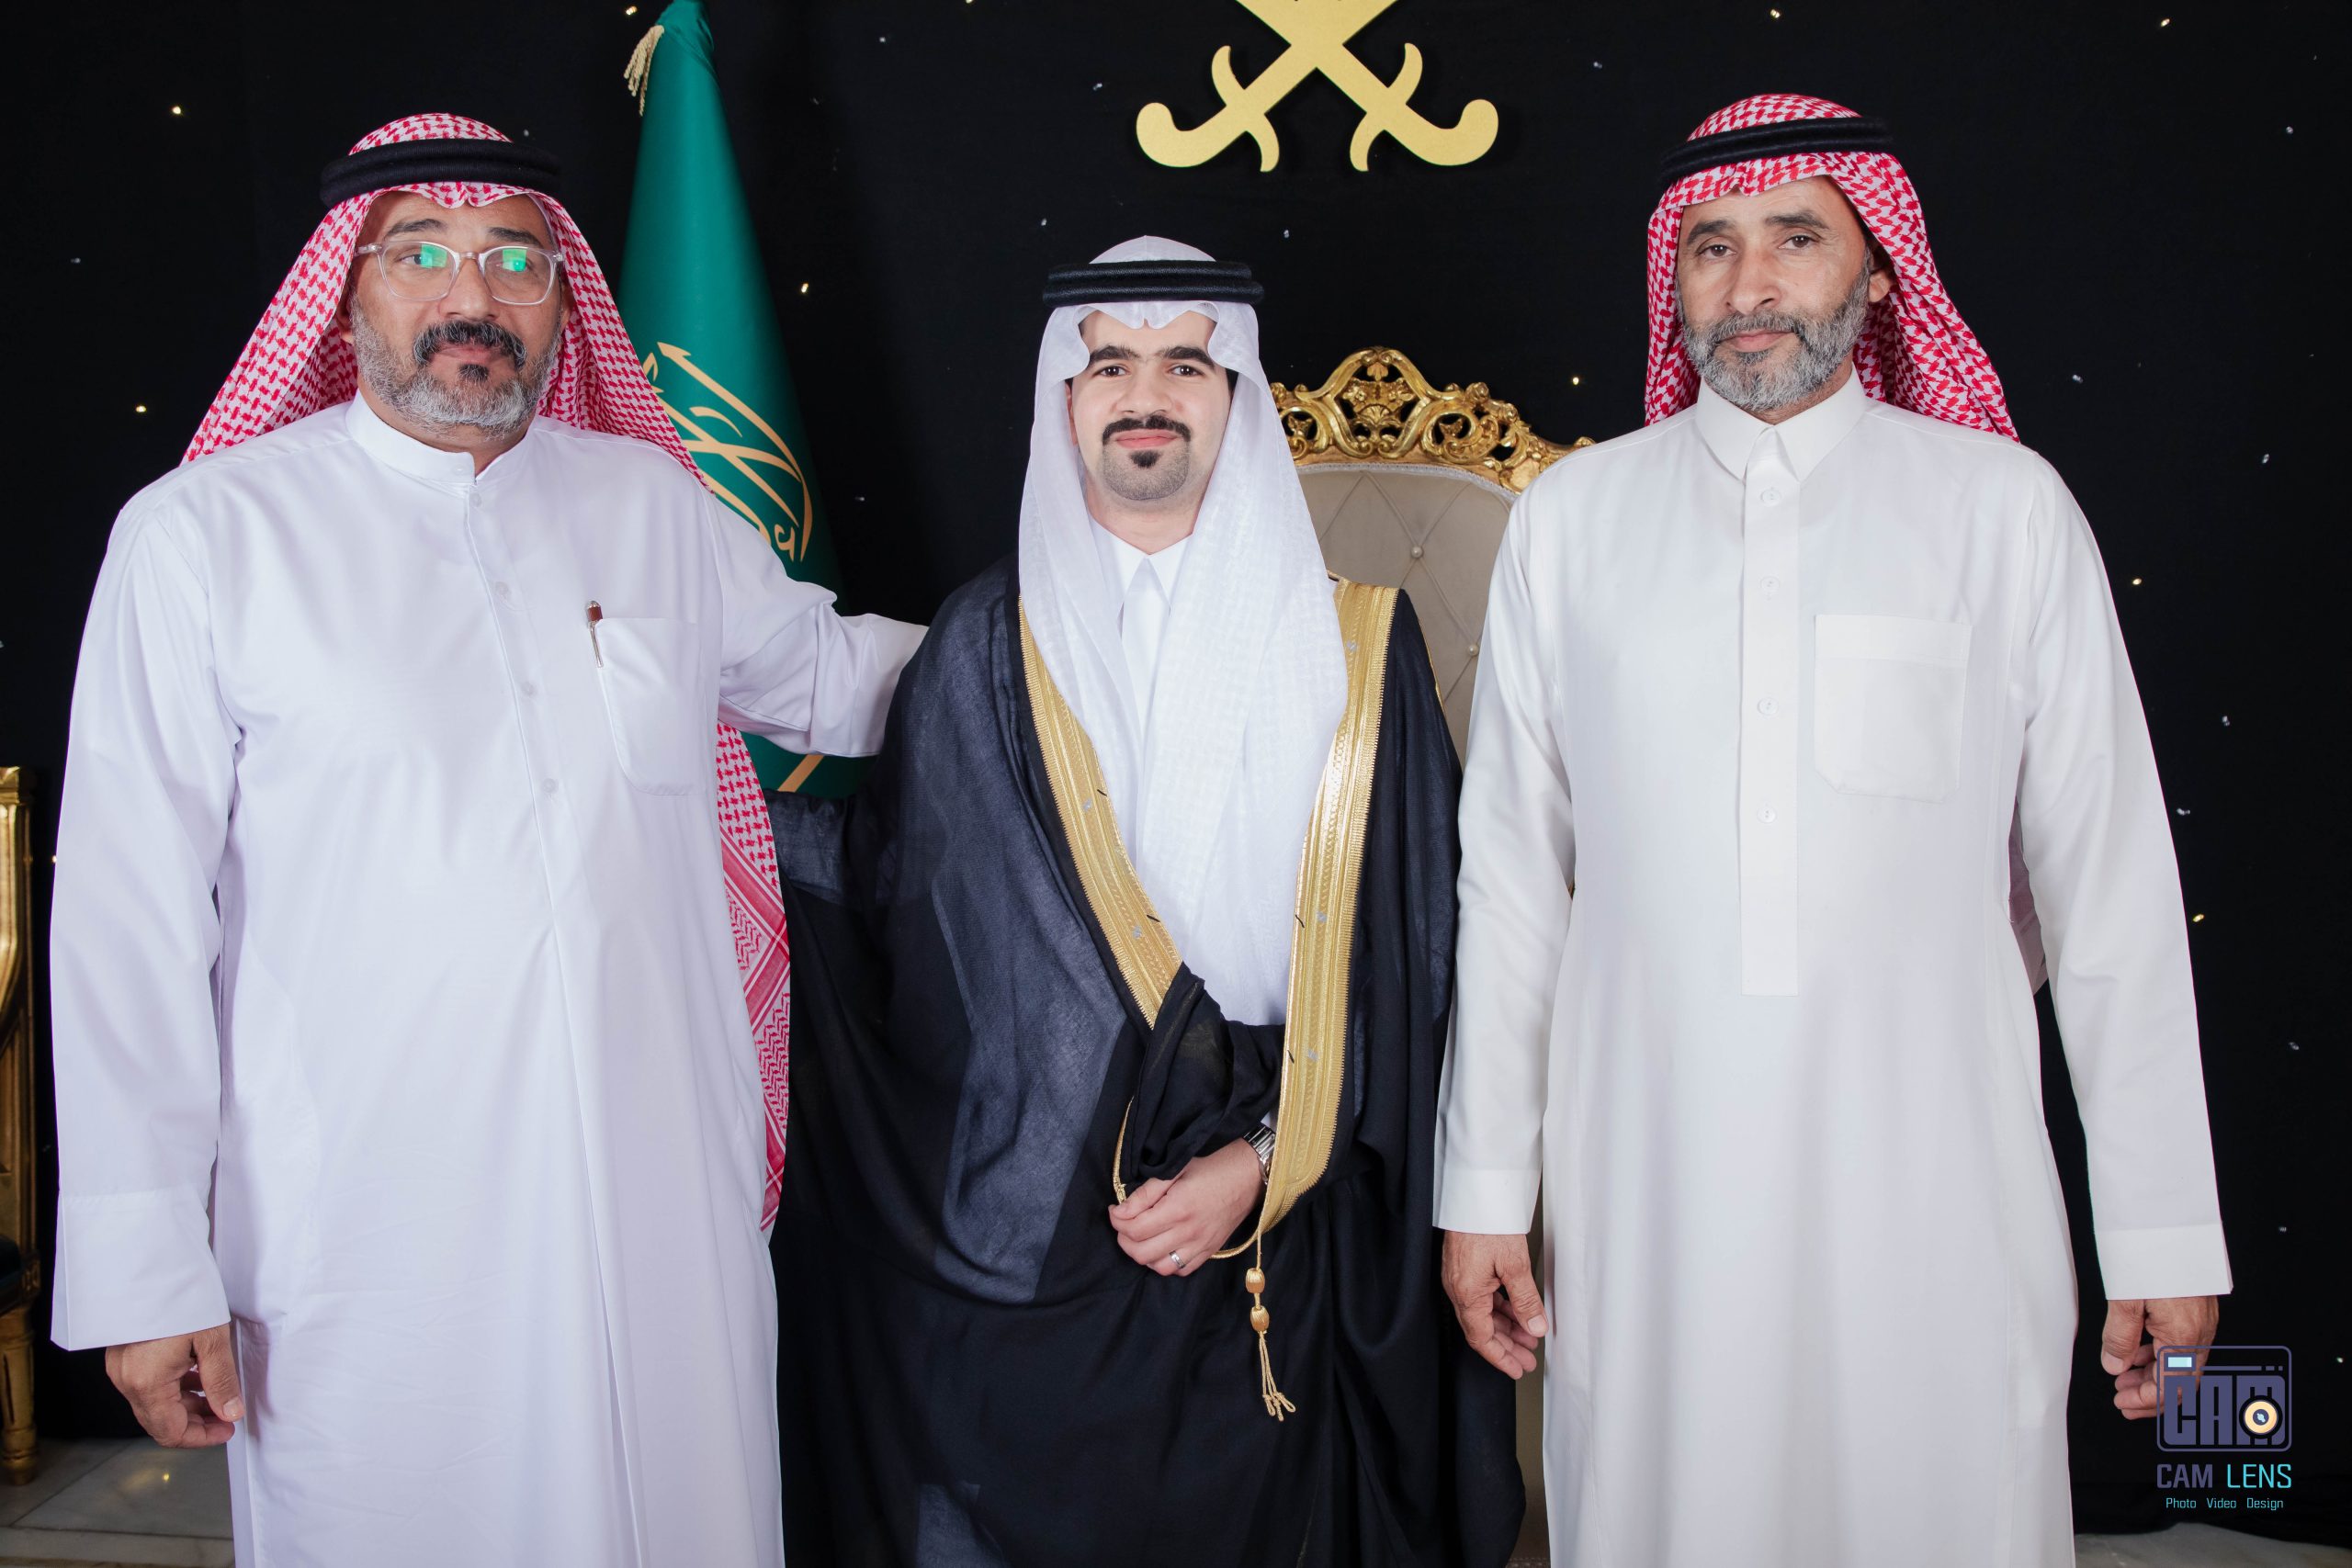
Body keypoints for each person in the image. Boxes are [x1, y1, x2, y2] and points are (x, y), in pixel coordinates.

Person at [49, 114, 922, 1568]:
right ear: (346, 290)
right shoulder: (205, 538)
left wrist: (1073, 647)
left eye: (516, 260)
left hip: (662, 1203)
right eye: (423, 256)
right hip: (373, 1234)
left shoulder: (649, 506)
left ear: (563, 295)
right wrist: (145, 1269)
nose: (474, 295)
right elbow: (128, 923)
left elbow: (838, 679)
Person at [1435, 95, 2231, 1567]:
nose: (1750, 285)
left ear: (1875, 273)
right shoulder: (1574, 522)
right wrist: (1485, 1191)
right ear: (1673, 281)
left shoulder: (2003, 512)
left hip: (1934, 1162)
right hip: (1649, 1168)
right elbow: (1514, 889)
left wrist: (2165, 1233)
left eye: (1796, 238)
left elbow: (2110, 890)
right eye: (1712, 246)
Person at [767, 238, 1522, 1566]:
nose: (1146, 396)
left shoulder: (1360, 646)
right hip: (1047, 1197)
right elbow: (898, 933)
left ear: (1237, 399)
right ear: (1065, 402)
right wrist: (687, 813)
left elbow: (1414, 968)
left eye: (1186, 364)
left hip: (1288, 1202)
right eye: (1110, 364)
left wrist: (1260, 1161)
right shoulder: (982, 647)